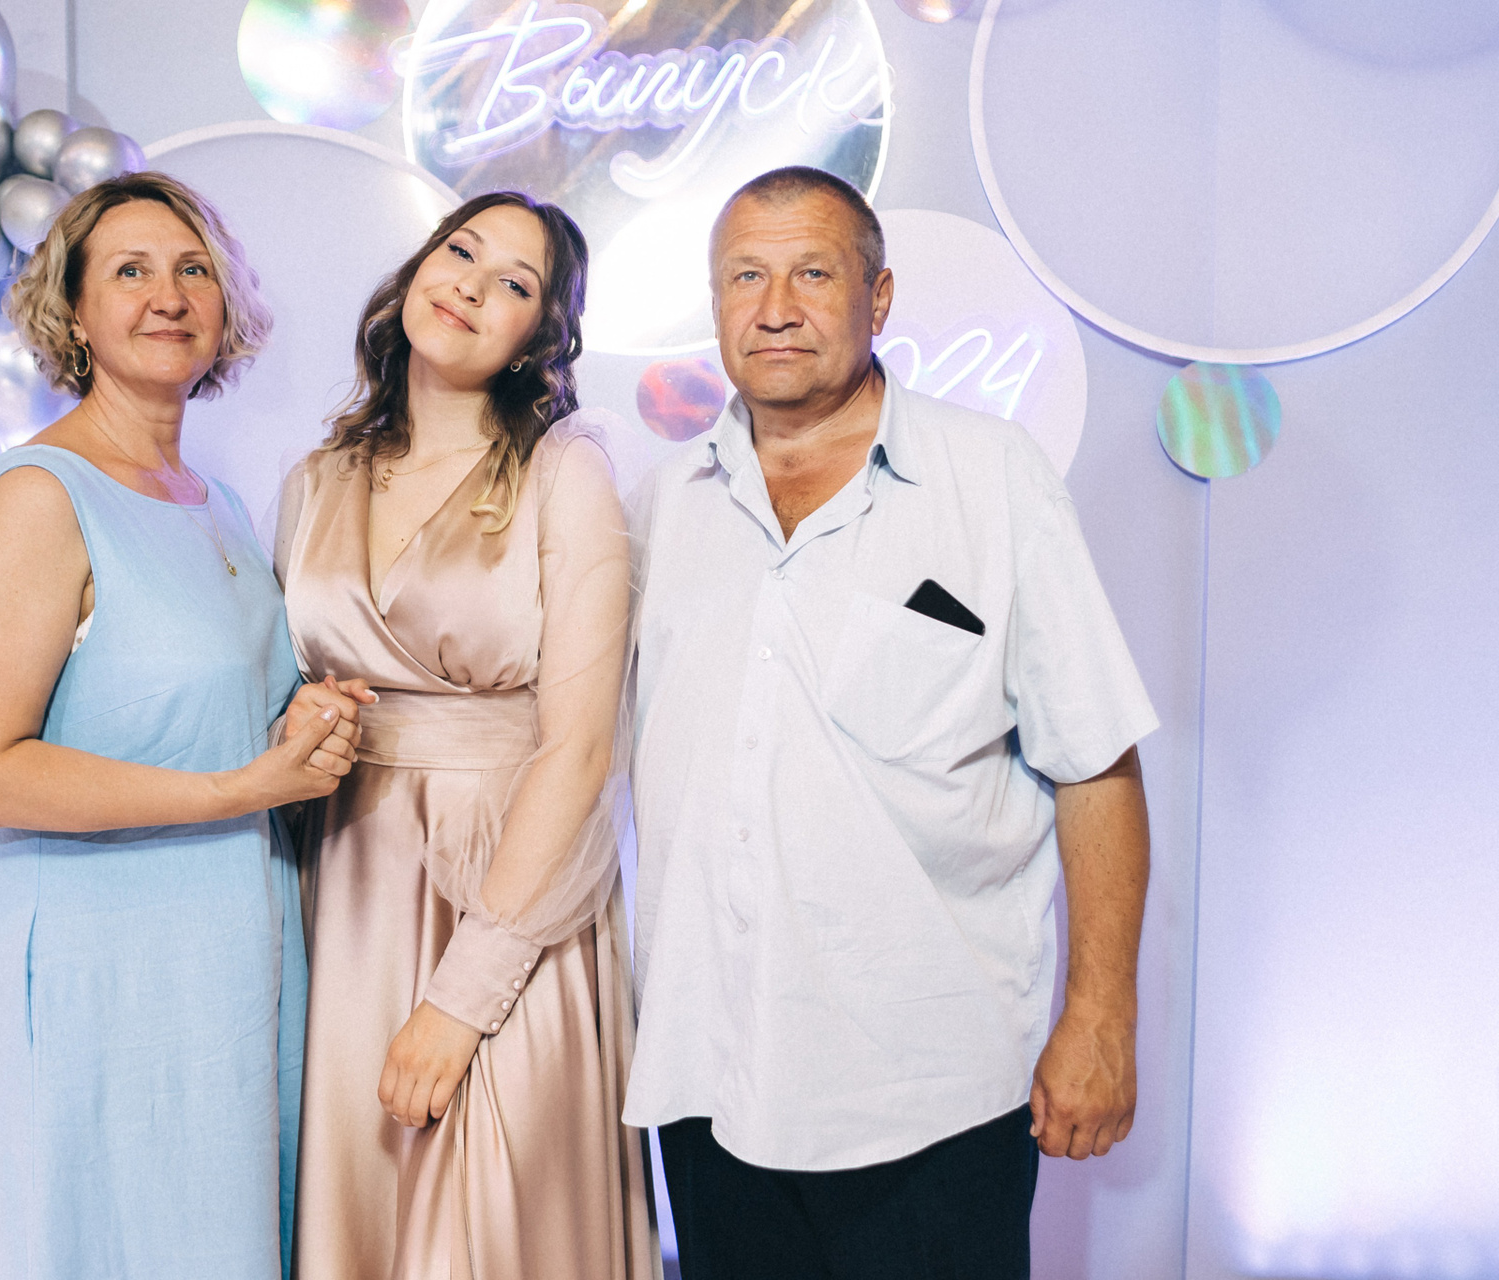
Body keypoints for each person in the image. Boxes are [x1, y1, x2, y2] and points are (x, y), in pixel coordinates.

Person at [625, 165, 1160, 1278]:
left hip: (930, 1089)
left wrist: (1102, 1012)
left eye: (813, 274)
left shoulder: (993, 478)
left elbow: (1094, 761)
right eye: (745, 277)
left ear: (878, 297)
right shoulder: (659, 508)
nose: (776, 308)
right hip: (711, 1073)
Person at [0, 171, 368, 1280]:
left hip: (231, 969)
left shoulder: (214, 501)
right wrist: (235, 790)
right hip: (108, 981)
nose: (168, 296)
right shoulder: (39, 497)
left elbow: (207, 717)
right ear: (75, 313)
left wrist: (303, 720)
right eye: (131, 271)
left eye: (193, 270)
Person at [277, 191, 659, 1279]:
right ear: (414, 272)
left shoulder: (566, 472)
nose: (472, 286)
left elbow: (582, 750)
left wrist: (464, 992)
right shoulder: (315, 480)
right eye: (460, 251)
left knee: (497, 1225)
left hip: (510, 891)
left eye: (515, 284)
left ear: (537, 337)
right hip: (347, 891)